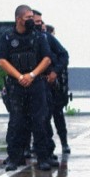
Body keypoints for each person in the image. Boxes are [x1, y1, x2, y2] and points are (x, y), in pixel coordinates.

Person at [0, 5, 53, 171]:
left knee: (40, 122)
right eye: (28, 17)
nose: (31, 20)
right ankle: (15, 158)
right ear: (18, 19)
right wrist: (20, 77)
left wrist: (32, 75)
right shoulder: (7, 37)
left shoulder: (39, 36)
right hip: (17, 86)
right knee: (16, 123)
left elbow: (47, 59)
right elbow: (2, 61)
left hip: (36, 84)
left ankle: (43, 158)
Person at [32, 9, 68, 159]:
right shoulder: (18, 38)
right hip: (28, 84)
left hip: (49, 84)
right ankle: (34, 148)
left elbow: (64, 55)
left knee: (54, 115)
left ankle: (58, 145)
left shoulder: (46, 38)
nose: (39, 25)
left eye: (41, 22)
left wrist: (55, 72)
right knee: (32, 119)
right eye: (36, 22)